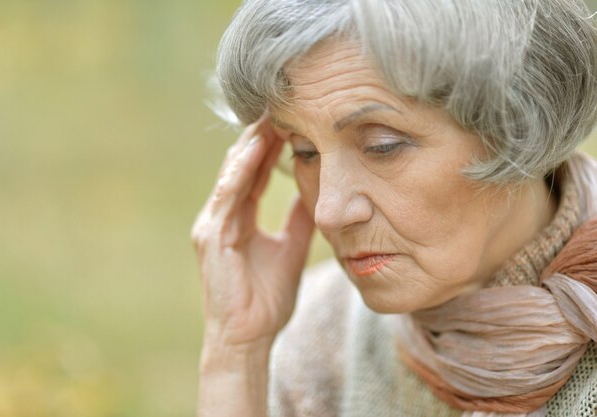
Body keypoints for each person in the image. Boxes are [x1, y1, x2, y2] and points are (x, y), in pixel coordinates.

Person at [191, 0, 597, 416]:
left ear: (521, 124)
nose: (328, 213)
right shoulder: (319, 331)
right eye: (305, 152)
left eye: (382, 146)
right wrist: (235, 356)